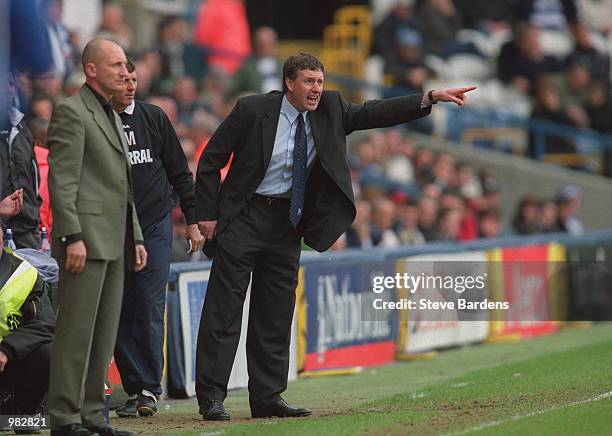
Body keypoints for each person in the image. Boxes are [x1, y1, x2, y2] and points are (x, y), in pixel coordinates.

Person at [195, 52, 476, 420]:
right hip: (244, 217)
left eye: (320, 81)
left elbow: (375, 112)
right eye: (309, 81)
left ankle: (267, 396)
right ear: (289, 83)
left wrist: (428, 98)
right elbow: (211, 159)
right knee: (224, 309)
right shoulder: (251, 110)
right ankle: (211, 397)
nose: (317, 89)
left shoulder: (331, 108)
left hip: (287, 223)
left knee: (276, 313)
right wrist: (208, 216)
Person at [46, 38, 147, 436]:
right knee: (75, 335)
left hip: (115, 241)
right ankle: (65, 418)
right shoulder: (72, 112)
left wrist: (136, 236)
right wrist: (72, 235)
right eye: (117, 65)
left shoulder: (109, 113)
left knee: (102, 337)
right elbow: (63, 181)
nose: (126, 72)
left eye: (126, 64)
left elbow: (123, 186)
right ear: (91, 70)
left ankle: (92, 414)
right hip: (85, 241)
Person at [111, 61, 203, 418]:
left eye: (134, 79)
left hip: (155, 225)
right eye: (123, 80)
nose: (131, 85)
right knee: (119, 309)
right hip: (113, 230)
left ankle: (149, 387)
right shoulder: (100, 121)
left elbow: (180, 172)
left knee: (150, 305)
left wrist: (192, 221)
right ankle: (134, 388)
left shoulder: (154, 118)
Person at [0, 221, 55, 429]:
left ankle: (25, 412)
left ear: (3, 241)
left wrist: (7, 349)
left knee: (48, 352)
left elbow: (46, 324)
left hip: (10, 362)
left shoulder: (24, 274)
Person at [1, 73, 42, 249]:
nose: (9, 89)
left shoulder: (22, 128)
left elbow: (34, 180)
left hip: (26, 230)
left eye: (11, 84)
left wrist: (33, 214)